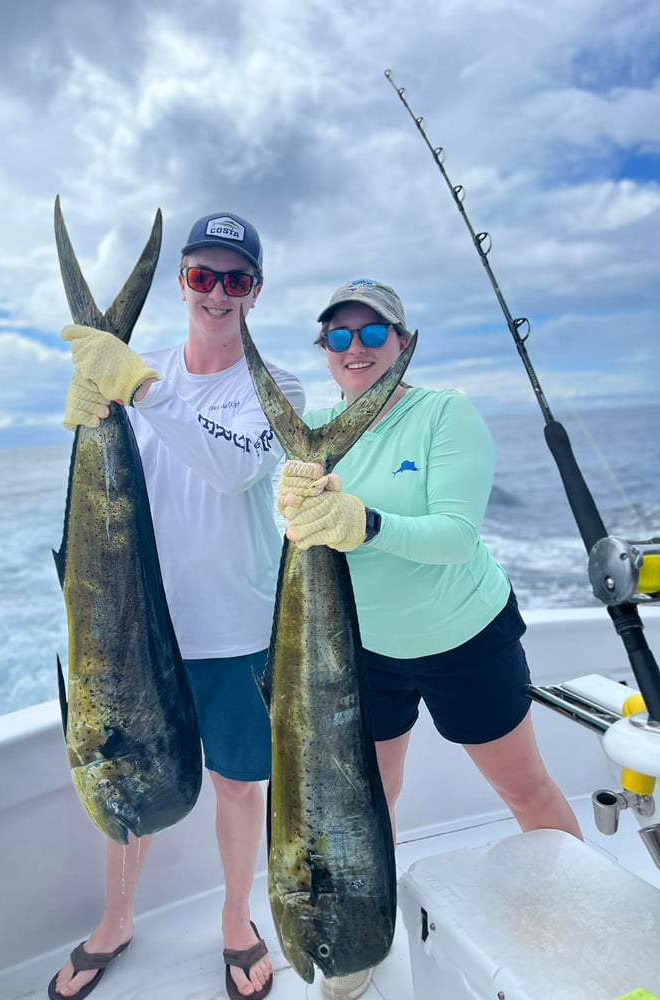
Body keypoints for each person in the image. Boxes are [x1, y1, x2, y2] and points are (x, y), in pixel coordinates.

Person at [276, 278, 582, 1000]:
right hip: (364, 653)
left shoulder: (446, 414)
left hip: (463, 638)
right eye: (340, 337)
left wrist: (366, 522)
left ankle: (577, 913)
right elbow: (289, 529)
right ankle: (355, 936)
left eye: (373, 333)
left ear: (402, 343)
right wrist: (290, 505)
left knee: (523, 787)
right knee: (369, 797)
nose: (357, 348)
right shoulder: (313, 432)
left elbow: (456, 536)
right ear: (325, 351)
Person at [50, 212, 305, 1000]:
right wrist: (99, 402)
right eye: (203, 275)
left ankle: (236, 919)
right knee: (123, 777)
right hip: (131, 633)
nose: (218, 292)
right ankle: (116, 918)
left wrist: (134, 387)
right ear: (183, 283)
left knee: (239, 785)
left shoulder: (277, 387)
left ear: (254, 293)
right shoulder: (133, 375)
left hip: (234, 630)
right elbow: (106, 498)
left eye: (236, 279)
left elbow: (231, 471)